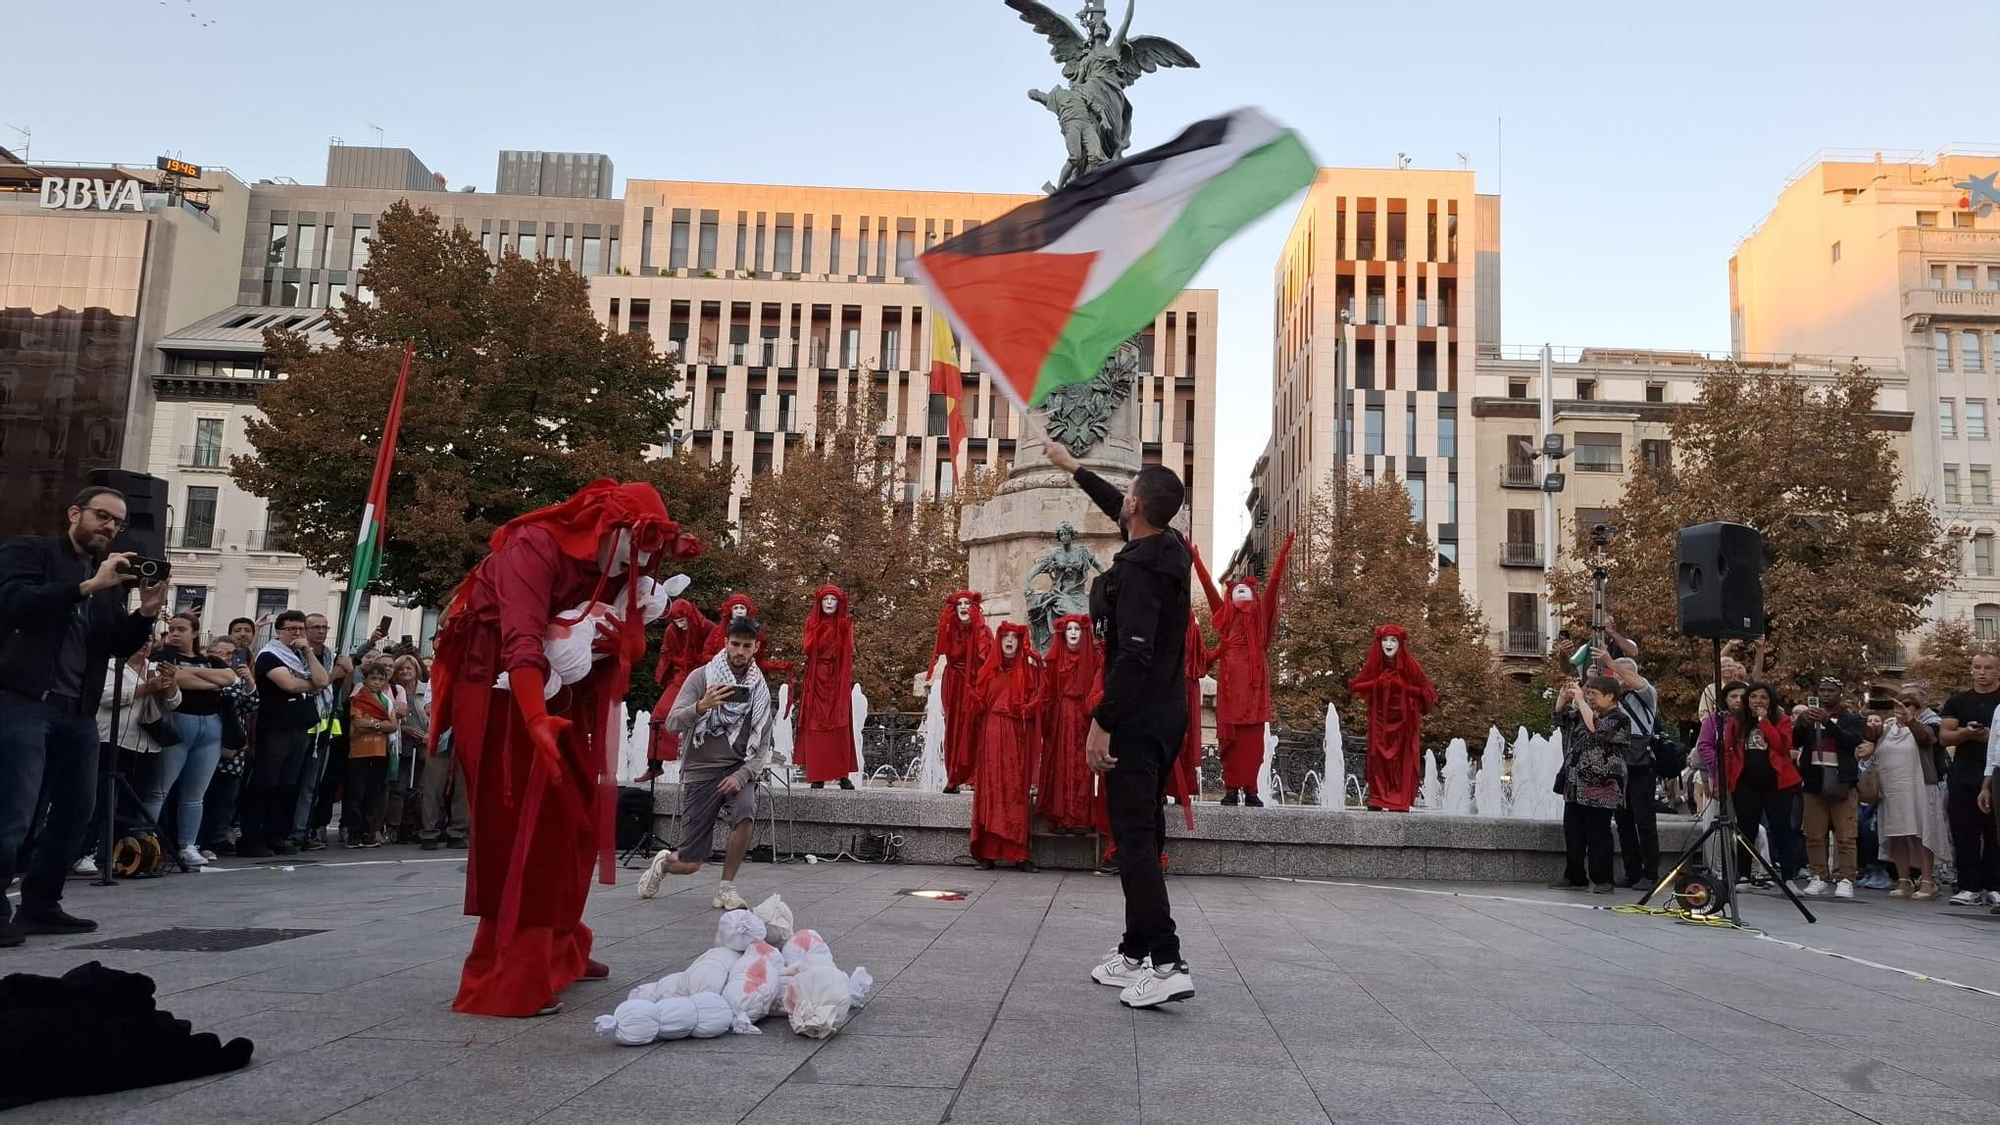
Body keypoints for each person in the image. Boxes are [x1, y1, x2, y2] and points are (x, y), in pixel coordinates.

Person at [432, 479, 698, 1017]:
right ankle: (506, 973)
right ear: (610, 530)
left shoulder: (622, 569)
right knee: (524, 831)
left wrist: (620, 643)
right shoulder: (533, 546)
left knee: (575, 823)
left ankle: (560, 944)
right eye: (639, 545)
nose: (643, 562)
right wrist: (533, 716)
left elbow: (624, 641)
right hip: (502, 692)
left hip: (559, 697)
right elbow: (521, 638)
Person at [1045, 439, 1194, 1010]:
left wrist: (1102, 722)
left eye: (1127, 495)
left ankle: (1166, 960)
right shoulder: (1169, 548)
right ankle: (1134, 951)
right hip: (1167, 712)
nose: (1122, 500)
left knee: (1132, 838)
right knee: (1144, 831)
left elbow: (1131, 657)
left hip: (1134, 716)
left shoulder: (1136, 574)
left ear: (1137, 507)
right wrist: (1073, 467)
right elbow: (1120, 505)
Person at [0, 486, 164, 944]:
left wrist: (145, 616)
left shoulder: (106, 580)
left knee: (76, 810)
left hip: (76, 711)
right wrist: (89, 586)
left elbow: (111, 645)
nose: (109, 528)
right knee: (14, 810)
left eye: (117, 523)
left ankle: (41, 904)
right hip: (22, 700)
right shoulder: (30, 553)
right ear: (75, 513)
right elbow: (14, 602)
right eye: (102, 517)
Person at [637, 616, 774, 908]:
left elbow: (762, 742)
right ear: (725, 642)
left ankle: (726, 888)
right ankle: (664, 863)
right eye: (735, 644)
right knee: (690, 863)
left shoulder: (759, 689)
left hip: (737, 770)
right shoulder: (702, 677)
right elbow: (672, 722)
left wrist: (743, 774)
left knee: (745, 813)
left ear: (755, 648)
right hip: (701, 771)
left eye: (746, 646)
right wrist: (702, 706)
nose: (739, 651)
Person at [1193, 534, 1292, 806]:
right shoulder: (1224, 617)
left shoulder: (1260, 618)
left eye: (1245, 588)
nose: (1239, 589)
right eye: (1235, 588)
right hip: (1229, 689)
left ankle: (1250, 789)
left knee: (1253, 743)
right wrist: (1197, 560)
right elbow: (1209, 589)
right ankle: (1231, 788)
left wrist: (1283, 555)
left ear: (1253, 595)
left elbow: (1273, 586)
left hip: (1254, 689)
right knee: (1229, 741)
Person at [146, 614, 236, 868]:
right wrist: (209, 681)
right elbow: (177, 681)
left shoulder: (210, 659)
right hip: (178, 722)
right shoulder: (162, 657)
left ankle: (188, 844)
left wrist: (190, 671)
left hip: (210, 727)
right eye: (172, 629)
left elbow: (229, 678)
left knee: (195, 793)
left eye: (181, 629)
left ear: (194, 633)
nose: (175, 633)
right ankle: (146, 841)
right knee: (159, 789)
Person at [238, 611, 329, 858]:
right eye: (292, 629)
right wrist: (311, 684)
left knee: (288, 784)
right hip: (275, 727)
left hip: (299, 727)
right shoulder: (271, 655)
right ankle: (252, 836)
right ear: (279, 631)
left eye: (301, 629)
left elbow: (323, 679)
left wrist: (309, 652)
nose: (297, 634)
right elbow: (289, 684)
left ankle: (275, 834)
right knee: (266, 782)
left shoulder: (300, 657)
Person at [1705, 682, 1801, 888]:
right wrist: (1721, 782)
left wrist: (1764, 722)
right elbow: (1728, 753)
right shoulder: (1736, 722)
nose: (1758, 701)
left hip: (1777, 782)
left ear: (1771, 701)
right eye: (1754, 696)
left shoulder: (1781, 720)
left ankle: (1788, 877)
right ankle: (1744, 875)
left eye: (1763, 697)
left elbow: (1783, 746)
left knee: (1781, 828)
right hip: (1746, 782)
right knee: (1746, 829)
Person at [1350, 624, 1439, 813]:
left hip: (1404, 723)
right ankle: (1378, 797)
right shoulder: (1374, 664)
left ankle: (1398, 799)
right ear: (1379, 643)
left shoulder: (1410, 664)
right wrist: (1378, 682)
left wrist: (1403, 687)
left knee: (1401, 760)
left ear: (1399, 644)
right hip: (1380, 721)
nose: (1388, 644)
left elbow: (1428, 692)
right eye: (1385, 640)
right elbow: (1356, 686)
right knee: (1377, 758)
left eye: (1393, 640)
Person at [1552, 675, 1629, 893]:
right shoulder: (1581, 713)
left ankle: (1603, 879)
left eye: (1595, 694)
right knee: (1573, 832)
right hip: (1575, 784)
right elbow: (1559, 721)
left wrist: (1583, 702)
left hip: (1602, 784)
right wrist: (1562, 699)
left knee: (1599, 834)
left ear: (1610, 696)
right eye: (1589, 693)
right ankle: (1575, 876)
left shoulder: (1619, 718)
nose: (1590, 697)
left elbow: (1597, 728)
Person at [1793, 677, 1869, 898]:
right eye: (1822, 690)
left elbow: (1852, 741)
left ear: (1840, 693)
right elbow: (1795, 742)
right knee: (1814, 834)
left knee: (1846, 835)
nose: (1826, 694)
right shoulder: (1809, 718)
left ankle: (1846, 878)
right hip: (1814, 780)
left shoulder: (1850, 718)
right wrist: (1801, 723)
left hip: (1842, 780)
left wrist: (1828, 723)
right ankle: (1818, 875)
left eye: (1831, 690)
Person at [1873, 685, 1944, 900]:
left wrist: (1910, 720)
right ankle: (1903, 880)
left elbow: (1926, 740)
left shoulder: (1928, 724)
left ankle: (1927, 881)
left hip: (1919, 787)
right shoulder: (1888, 727)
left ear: (1918, 708)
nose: (1903, 709)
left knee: (1920, 833)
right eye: (1900, 705)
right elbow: (1871, 742)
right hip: (1893, 788)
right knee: (1897, 834)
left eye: (1910, 705)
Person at [1942, 655, 2000, 907]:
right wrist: (1966, 732)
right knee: (1964, 830)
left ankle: (1994, 885)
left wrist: (1990, 737)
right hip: (1963, 773)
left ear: (1998, 671)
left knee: (1995, 832)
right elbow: (1945, 736)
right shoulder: (1958, 701)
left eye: (1988, 668)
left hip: (1995, 772)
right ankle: (1968, 886)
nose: (1982, 673)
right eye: (1977, 667)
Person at [1601, 651, 1660, 889]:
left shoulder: (1646, 695)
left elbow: (1637, 682)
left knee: (1644, 820)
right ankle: (1632, 871)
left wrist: (1612, 663)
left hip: (1641, 764)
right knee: (1623, 820)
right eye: (1616, 674)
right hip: (1618, 764)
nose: (1620, 678)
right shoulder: (1610, 701)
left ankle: (1650, 873)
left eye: (1625, 672)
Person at [1039, 614, 1101, 833]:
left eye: (1077, 629)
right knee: (1061, 764)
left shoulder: (1094, 658)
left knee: (1083, 766)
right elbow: (1047, 690)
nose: (1073, 632)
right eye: (1069, 629)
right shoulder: (1055, 659)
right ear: (1063, 633)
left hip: (1085, 718)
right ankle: (1061, 816)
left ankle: (1080, 818)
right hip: (1062, 718)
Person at [639, 598, 711, 781]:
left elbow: (715, 652)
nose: (680, 624)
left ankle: (695, 767)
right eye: (677, 621)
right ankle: (654, 765)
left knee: (701, 718)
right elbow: (667, 652)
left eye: (683, 620)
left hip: (704, 677)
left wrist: (699, 661)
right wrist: (679, 661)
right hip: (681, 677)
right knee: (659, 716)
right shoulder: (673, 630)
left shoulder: (707, 627)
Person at [795, 585, 858, 789]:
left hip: (836, 679)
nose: (829, 602)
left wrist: (843, 684)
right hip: (817, 678)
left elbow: (848, 654)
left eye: (833, 599)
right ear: (820, 603)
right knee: (815, 725)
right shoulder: (812, 622)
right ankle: (818, 775)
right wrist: (818, 631)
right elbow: (807, 649)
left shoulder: (845, 624)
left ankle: (842, 775)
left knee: (840, 725)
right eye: (826, 599)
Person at [932, 590, 993, 794]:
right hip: (955, 684)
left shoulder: (984, 631)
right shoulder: (949, 630)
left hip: (976, 684)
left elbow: (990, 661)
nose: (964, 607)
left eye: (968, 603)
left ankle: (976, 776)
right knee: (954, 728)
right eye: (960, 604)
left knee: (976, 728)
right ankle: (954, 776)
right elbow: (941, 649)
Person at [198, 636, 254, 856]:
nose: (224, 657)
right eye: (219, 653)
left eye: (230, 653)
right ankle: (198, 840)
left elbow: (251, 704)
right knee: (202, 792)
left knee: (227, 794)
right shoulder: (203, 671)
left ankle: (219, 837)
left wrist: (248, 680)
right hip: (206, 738)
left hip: (233, 742)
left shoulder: (238, 678)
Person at [342, 662, 398, 848]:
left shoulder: (386, 701)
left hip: (380, 752)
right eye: (373, 678)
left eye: (381, 679)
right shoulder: (358, 699)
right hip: (359, 752)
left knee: (373, 794)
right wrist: (380, 725)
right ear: (365, 679)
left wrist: (373, 725)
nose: (377, 682)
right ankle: (354, 833)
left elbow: (393, 725)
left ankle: (368, 832)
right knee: (356, 793)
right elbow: (358, 723)